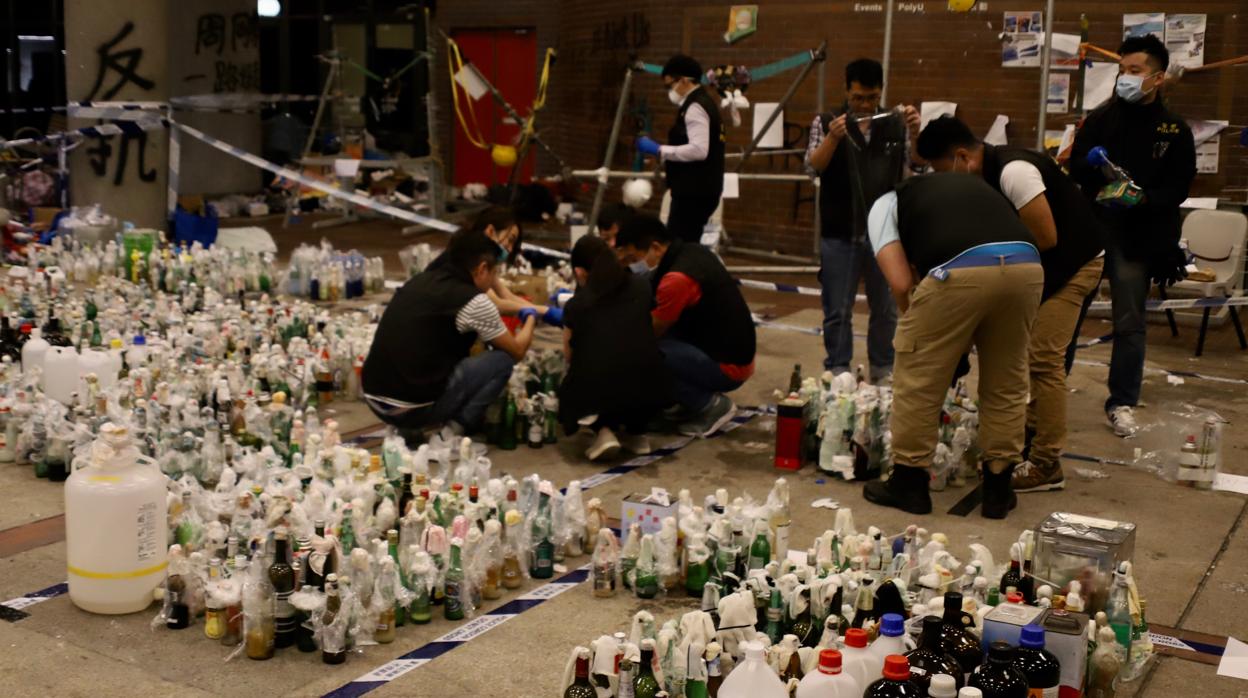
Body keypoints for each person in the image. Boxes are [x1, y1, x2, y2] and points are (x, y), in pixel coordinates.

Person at [916, 116, 1107, 493]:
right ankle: (1026, 434)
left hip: (1075, 264)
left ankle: (1047, 464)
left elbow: (1045, 236)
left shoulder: (1014, 171)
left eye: (943, 172)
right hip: (1041, 269)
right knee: (1019, 353)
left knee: (1043, 357)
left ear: (960, 157)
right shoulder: (982, 177)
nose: (944, 182)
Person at [863, 173, 1043, 518]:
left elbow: (901, 283)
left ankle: (909, 484)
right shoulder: (959, 189)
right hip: (1026, 266)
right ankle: (997, 489)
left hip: (957, 271)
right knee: (1006, 380)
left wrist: (922, 336)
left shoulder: (883, 205)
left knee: (918, 379)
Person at [1069, 34, 1196, 438]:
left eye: (1134, 71)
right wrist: (1088, 165)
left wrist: (1142, 201)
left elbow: (1179, 189)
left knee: (1129, 322)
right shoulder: (1102, 117)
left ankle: (1122, 402)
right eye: (1122, 70)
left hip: (1137, 237)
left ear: (1157, 78)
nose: (1125, 77)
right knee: (1066, 314)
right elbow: (1076, 167)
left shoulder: (1173, 129)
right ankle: (1046, 388)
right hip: (1092, 231)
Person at [804, 58, 922, 383]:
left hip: (885, 234)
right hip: (840, 232)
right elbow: (812, 167)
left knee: (885, 308)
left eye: (871, 98)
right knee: (837, 309)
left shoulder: (895, 124)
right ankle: (838, 369)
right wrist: (832, 138)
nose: (865, 105)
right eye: (858, 98)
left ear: (881, 92)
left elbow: (918, 167)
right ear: (846, 91)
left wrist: (915, 131)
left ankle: (883, 369)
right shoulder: (827, 121)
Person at [361, 227, 536, 438]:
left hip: (373, 399)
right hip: (412, 408)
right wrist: (531, 316)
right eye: (494, 272)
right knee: (501, 361)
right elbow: (516, 351)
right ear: (481, 269)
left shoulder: (420, 281)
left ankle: (408, 429)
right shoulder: (474, 301)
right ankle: (451, 434)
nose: (494, 280)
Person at [615, 214, 755, 437]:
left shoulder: (676, 279)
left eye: (633, 259)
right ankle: (687, 401)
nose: (632, 267)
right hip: (730, 350)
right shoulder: (692, 251)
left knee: (640, 352)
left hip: (729, 366)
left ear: (656, 247)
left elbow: (652, 330)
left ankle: (711, 405)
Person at [558, 236, 674, 460]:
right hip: (653, 385)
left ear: (580, 272)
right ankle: (636, 433)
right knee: (631, 363)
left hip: (605, 386)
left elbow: (570, 356)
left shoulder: (578, 304)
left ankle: (603, 431)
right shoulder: (641, 286)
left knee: (580, 377)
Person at [636, 54, 725, 244]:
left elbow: (699, 150)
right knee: (683, 243)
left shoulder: (695, 106)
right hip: (698, 190)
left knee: (678, 245)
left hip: (693, 192)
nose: (669, 91)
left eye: (670, 85)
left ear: (684, 80)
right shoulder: (703, 103)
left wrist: (660, 150)